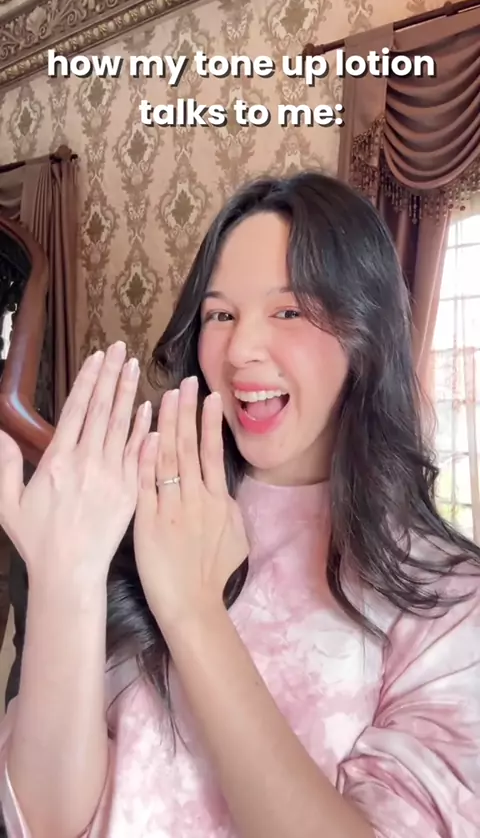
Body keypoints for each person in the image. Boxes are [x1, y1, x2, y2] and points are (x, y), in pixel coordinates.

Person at [0, 171, 479, 838]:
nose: (241, 350)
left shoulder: (449, 599)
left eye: (289, 311)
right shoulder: (132, 509)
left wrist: (194, 612)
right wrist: (64, 580)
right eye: (220, 315)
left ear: (366, 332)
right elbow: (44, 822)